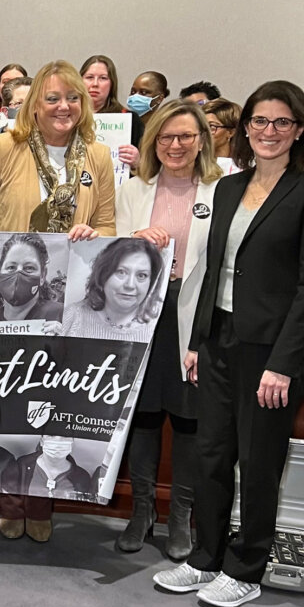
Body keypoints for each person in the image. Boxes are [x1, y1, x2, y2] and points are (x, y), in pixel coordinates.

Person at [154, 80, 304, 607]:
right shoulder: (227, 187)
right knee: (212, 454)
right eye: (260, 121)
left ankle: (246, 568)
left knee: (260, 460)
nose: (269, 132)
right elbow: (214, 269)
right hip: (219, 340)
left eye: (282, 122)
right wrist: (198, 340)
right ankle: (205, 558)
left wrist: (285, 363)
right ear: (246, 128)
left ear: (299, 130)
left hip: (272, 354)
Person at [115, 99, 222, 558]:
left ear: (202, 141)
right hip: (144, 314)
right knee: (143, 415)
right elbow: (114, 254)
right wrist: (135, 241)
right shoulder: (133, 190)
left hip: (197, 315)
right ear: (152, 141)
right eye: (165, 137)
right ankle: (142, 511)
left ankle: (180, 516)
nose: (175, 145)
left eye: (185, 137)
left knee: (188, 418)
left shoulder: (223, 189)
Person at [0, 59, 116, 241]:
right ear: (35, 104)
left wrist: (94, 235)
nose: (64, 106)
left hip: (75, 266)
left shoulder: (99, 155)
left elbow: (106, 226)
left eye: (73, 98)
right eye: (53, 99)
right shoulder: (4, 147)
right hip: (14, 265)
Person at [57, 237, 164, 341]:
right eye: (121, 272)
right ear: (103, 274)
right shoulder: (73, 316)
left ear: (152, 282)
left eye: (141, 275)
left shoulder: (159, 327)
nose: (130, 285)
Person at [0, 233, 64, 328]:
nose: (19, 273)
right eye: (11, 267)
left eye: (29, 268)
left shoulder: (61, 316)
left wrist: (67, 340)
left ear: (43, 276)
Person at [80, 53, 144, 149]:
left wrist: (137, 161)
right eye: (90, 77)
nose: (95, 84)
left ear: (112, 84)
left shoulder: (130, 119)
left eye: (103, 78)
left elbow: (148, 159)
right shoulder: (68, 117)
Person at [4, 435, 93, 500]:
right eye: (51, 435)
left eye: (65, 436)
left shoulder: (82, 477)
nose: (58, 441)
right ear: (42, 441)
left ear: (72, 443)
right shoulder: (22, 465)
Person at [204, 98, 241, 171]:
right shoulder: (193, 167)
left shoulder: (240, 171)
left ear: (231, 132)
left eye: (212, 127)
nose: (204, 132)